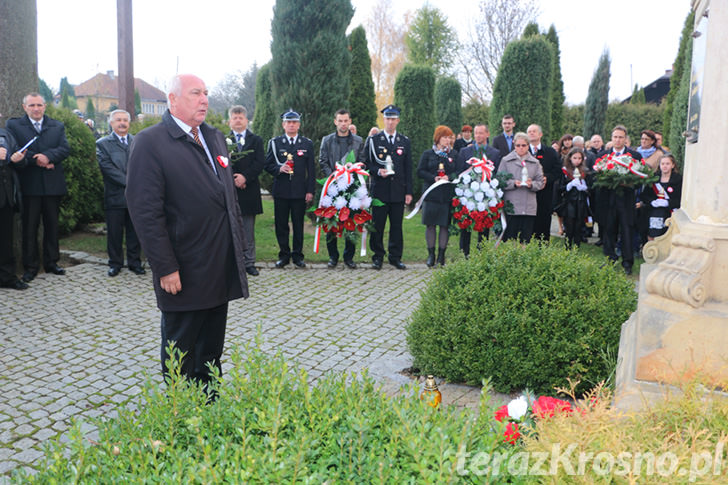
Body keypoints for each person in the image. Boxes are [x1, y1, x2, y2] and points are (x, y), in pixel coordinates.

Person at [125, 73, 249, 387]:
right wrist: (165, 267)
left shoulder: (214, 136)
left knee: (211, 351)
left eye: (206, 93)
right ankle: (180, 415)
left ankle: (210, 407)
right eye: (195, 93)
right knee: (180, 352)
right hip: (184, 269)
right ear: (173, 99)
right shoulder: (151, 143)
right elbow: (145, 211)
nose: (204, 99)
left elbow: (227, 198)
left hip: (219, 266)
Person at [6, 92, 70, 282]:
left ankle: (52, 262)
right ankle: (30, 266)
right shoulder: (14, 125)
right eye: (32, 105)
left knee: (52, 226)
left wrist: (49, 157)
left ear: (45, 107)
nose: (36, 109)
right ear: (25, 107)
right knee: (29, 227)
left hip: (52, 184)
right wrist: (38, 160)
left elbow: (64, 149)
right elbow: (15, 149)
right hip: (30, 185)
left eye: (39, 105)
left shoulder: (56, 126)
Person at [96, 109, 144, 277]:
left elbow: (144, 165)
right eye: (118, 120)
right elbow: (107, 168)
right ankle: (115, 263)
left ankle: (134, 262)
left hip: (135, 197)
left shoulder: (137, 141)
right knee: (115, 233)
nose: (122, 123)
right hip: (115, 196)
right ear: (111, 123)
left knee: (135, 232)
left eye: (125, 120)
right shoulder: (103, 144)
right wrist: (131, 182)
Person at [265, 110, 315, 268]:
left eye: (294, 122)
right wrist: (279, 169)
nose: (291, 125)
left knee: (298, 224)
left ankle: (298, 256)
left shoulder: (307, 144)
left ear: (299, 125)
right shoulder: (275, 143)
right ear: (283, 125)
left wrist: (310, 191)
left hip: (300, 191)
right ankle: (284, 255)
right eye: (289, 122)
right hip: (281, 190)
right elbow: (267, 165)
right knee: (281, 224)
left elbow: (311, 170)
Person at [364, 104, 413, 270]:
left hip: (398, 191)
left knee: (396, 226)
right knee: (377, 225)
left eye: (393, 119)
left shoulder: (404, 141)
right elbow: (367, 164)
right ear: (383, 120)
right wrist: (378, 171)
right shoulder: (374, 141)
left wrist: (409, 192)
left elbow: (408, 168)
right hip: (380, 190)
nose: (390, 122)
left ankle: (395, 257)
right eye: (387, 119)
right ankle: (377, 257)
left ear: (398, 120)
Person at [319, 109, 363, 269]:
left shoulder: (358, 141)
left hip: (352, 189)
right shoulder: (327, 140)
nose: (343, 123)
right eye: (340, 120)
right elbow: (322, 160)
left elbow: (362, 161)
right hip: (332, 187)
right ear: (335, 122)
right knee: (331, 222)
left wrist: (351, 175)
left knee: (351, 222)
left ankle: (349, 257)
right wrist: (333, 177)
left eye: (346, 120)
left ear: (350, 121)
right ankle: (333, 256)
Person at [596, 125, 643, 275]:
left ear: (625, 139)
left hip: (626, 200)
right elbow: (596, 178)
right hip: (608, 200)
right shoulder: (603, 156)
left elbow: (640, 179)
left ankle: (627, 262)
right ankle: (610, 259)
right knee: (609, 230)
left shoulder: (634, 156)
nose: (617, 140)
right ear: (611, 138)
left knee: (627, 230)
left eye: (620, 137)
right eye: (615, 137)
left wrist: (628, 183)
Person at [228, 105, 264, 276]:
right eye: (234, 117)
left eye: (240, 117)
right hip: (230, 190)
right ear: (230, 121)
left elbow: (259, 162)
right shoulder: (222, 140)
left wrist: (244, 177)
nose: (238, 120)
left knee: (248, 229)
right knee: (232, 228)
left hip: (249, 190)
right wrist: (234, 178)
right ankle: (234, 262)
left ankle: (249, 262)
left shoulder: (256, 140)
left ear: (246, 120)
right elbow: (220, 162)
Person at [456, 123, 502, 254]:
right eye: (476, 133)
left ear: (487, 134)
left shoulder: (495, 153)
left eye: (481, 133)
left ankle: (482, 256)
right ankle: (464, 255)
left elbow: (497, 174)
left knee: (484, 228)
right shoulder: (465, 152)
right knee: (466, 227)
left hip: (486, 196)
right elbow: (460, 171)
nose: (478, 136)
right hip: (468, 195)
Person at [417, 125, 458, 267]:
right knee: (430, 226)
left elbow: (458, 172)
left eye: (449, 137)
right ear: (438, 138)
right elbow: (420, 171)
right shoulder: (428, 154)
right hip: (431, 195)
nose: (447, 140)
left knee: (444, 226)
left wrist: (449, 177)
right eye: (445, 137)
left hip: (446, 196)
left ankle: (441, 255)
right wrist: (433, 177)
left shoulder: (453, 154)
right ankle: (431, 255)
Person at [497, 132, 544, 243]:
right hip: (512, 206)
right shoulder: (506, 161)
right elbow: (499, 180)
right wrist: (513, 183)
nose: (521, 148)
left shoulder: (535, 162)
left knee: (525, 239)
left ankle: (523, 259)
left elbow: (540, 182)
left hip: (528, 207)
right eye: (518, 145)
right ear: (514, 145)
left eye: (523, 145)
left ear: (528, 146)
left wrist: (531, 184)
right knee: (510, 239)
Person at [0, 117, 28, 290]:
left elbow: (21, 163)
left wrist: (19, 159)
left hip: (6, 196)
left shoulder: (6, 134)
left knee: (6, 240)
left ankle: (7, 277)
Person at [527, 124, 562, 241]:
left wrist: (547, 177)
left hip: (545, 195)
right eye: (529, 131)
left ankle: (543, 250)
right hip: (526, 195)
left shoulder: (550, 152)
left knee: (543, 224)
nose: (531, 133)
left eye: (534, 131)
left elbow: (557, 171)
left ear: (540, 134)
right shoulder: (522, 151)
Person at [641, 154, 682, 240]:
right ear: (659, 165)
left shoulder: (678, 179)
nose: (665, 166)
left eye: (667, 164)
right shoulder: (654, 178)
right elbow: (645, 196)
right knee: (652, 235)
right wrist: (652, 202)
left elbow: (681, 198)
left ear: (673, 165)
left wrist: (668, 203)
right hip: (653, 212)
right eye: (662, 164)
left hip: (670, 213)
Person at [556, 148, 590, 248]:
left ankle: (576, 246)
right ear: (570, 158)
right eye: (575, 158)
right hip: (569, 202)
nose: (577, 160)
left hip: (581, 202)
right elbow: (559, 188)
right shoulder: (564, 171)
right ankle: (568, 246)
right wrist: (569, 185)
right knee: (569, 226)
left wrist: (585, 187)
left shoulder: (585, 171)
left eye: (579, 158)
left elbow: (591, 187)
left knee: (579, 226)